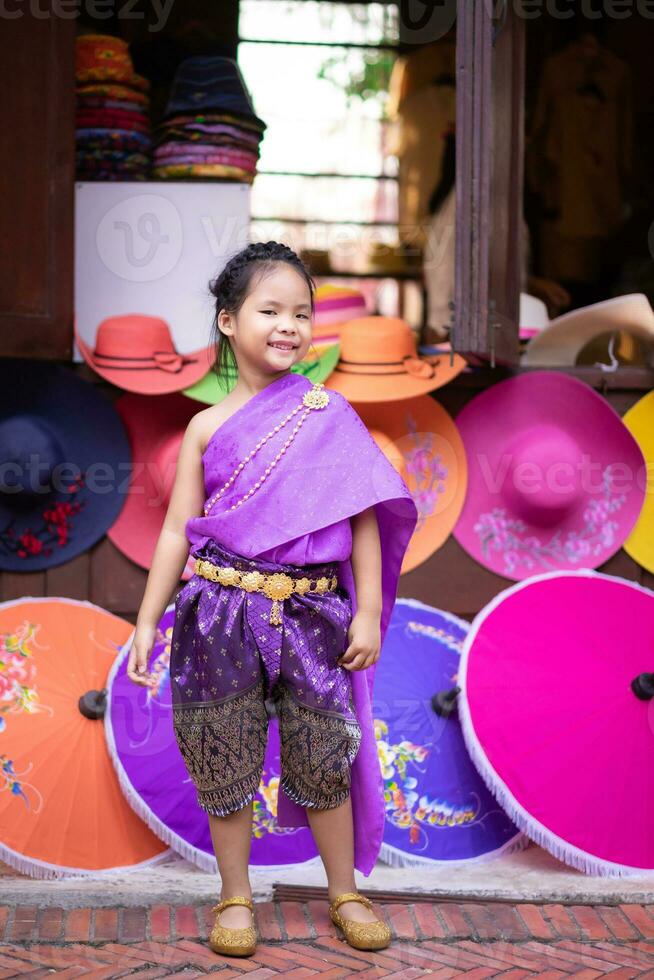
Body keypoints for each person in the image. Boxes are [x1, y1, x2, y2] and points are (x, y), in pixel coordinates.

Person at [126, 241, 418, 958]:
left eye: (302, 313)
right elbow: (175, 532)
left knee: (325, 750)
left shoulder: (331, 414)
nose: (288, 325)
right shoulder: (204, 427)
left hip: (317, 613)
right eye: (269, 310)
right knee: (222, 748)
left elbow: (365, 520)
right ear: (228, 321)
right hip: (218, 610)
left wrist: (371, 610)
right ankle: (235, 896)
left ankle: (344, 890)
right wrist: (147, 620)